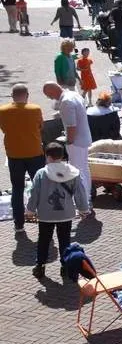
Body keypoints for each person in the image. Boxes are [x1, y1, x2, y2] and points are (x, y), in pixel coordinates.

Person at [28, 141, 90, 279]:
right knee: (65, 241)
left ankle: (40, 266)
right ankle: (65, 266)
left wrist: (30, 210)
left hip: (46, 214)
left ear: (47, 156)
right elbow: (80, 192)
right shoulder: (72, 172)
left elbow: (34, 193)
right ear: (62, 156)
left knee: (44, 240)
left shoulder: (41, 173)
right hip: (65, 214)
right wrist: (83, 209)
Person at [0, 85, 45, 234]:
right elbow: (40, 127)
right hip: (35, 153)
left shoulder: (2, 111)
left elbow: (4, 129)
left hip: (14, 155)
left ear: (12, 95)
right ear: (27, 95)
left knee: (17, 189)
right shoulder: (35, 109)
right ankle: (44, 218)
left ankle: (19, 224)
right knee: (40, 187)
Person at [42, 81, 92, 200]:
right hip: (84, 138)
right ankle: (87, 196)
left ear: (52, 91)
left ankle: (83, 199)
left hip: (76, 142)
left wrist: (68, 141)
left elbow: (71, 126)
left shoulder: (65, 102)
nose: (49, 98)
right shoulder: (74, 94)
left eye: (48, 95)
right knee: (84, 168)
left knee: (77, 170)